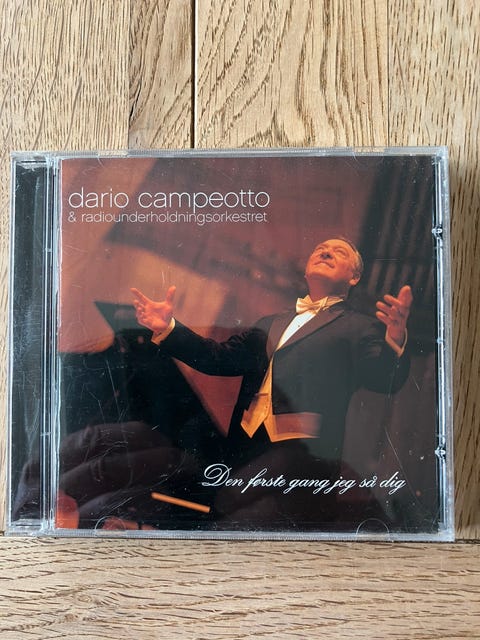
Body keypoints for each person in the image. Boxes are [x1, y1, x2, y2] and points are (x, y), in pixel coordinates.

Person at [131, 238, 413, 530]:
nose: (326, 251)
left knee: (236, 526)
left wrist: (395, 339)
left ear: (354, 277)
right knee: (217, 517)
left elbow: (384, 378)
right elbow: (218, 359)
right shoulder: (269, 323)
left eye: (338, 252)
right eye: (319, 249)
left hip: (300, 462)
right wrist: (168, 329)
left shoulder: (360, 327)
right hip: (243, 449)